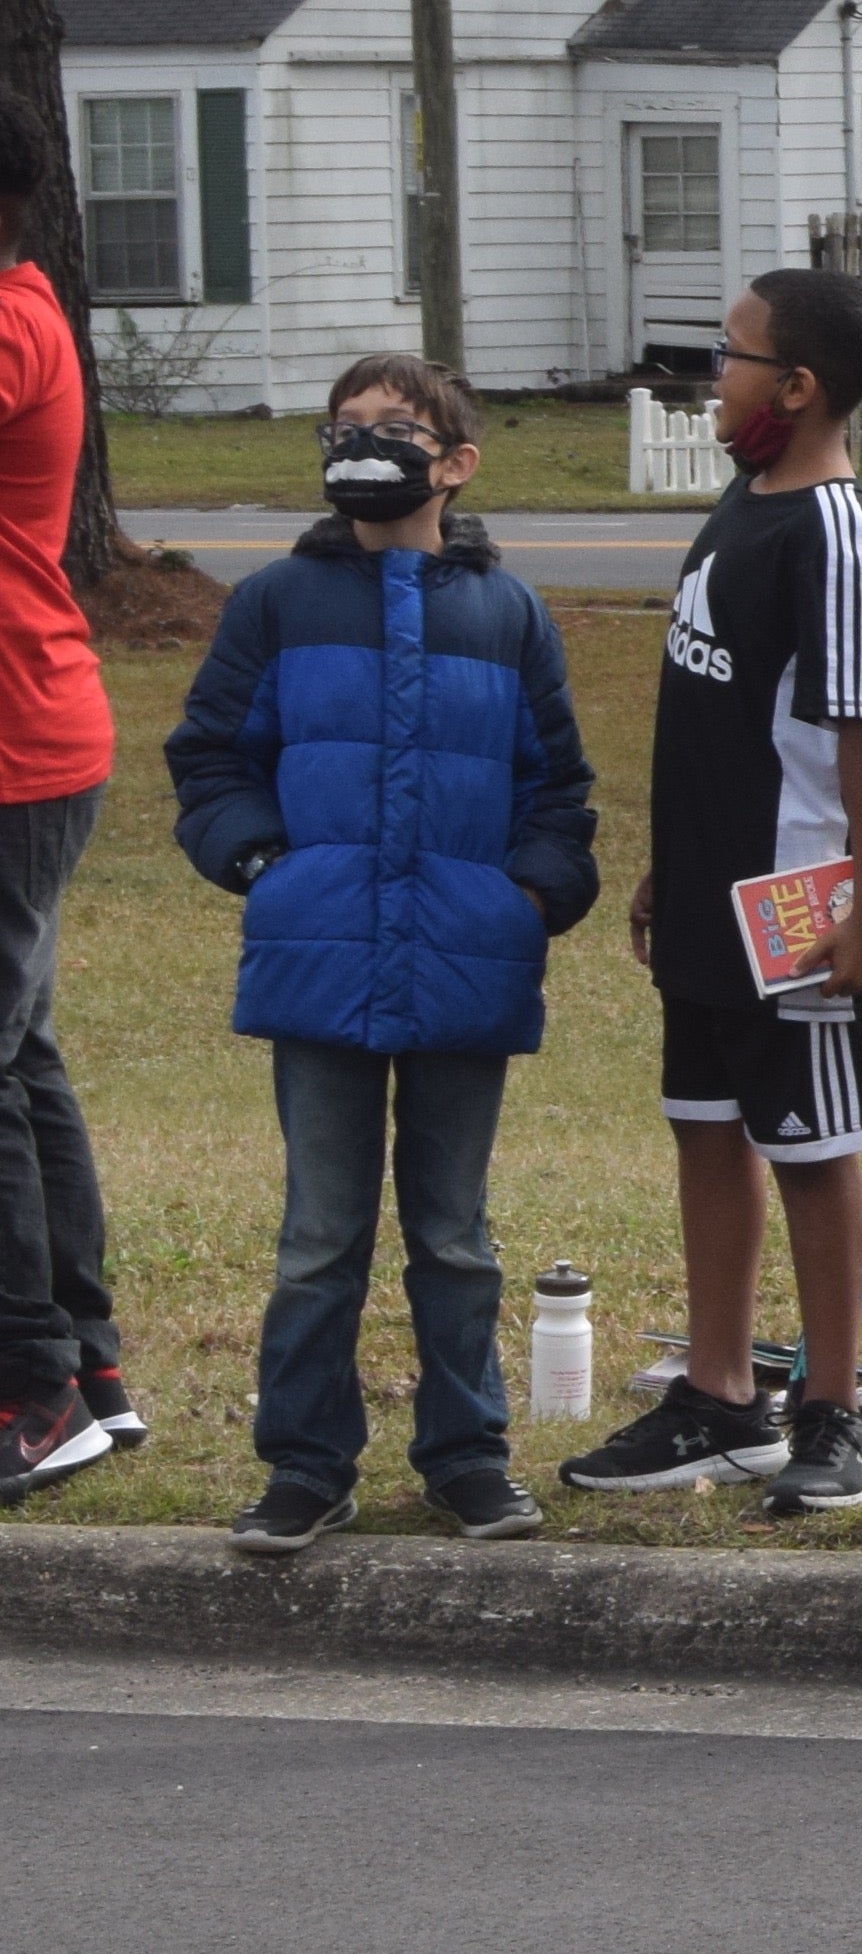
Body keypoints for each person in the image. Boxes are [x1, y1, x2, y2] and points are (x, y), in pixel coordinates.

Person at [163, 358, 596, 1548]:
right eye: (344, 428)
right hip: (319, 960)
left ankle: (467, 1456)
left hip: (468, 963)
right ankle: (306, 1461)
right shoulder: (275, 604)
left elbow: (557, 787)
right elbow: (209, 758)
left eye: (395, 429)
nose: (365, 446)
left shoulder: (507, 616)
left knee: (455, 1237)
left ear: (455, 461)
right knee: (319, 1238)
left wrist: (527, 898)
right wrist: (265, 865)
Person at [562, 267, 862, 1518]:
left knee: (813, 1148)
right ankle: (718, 1398)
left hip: (800, 916)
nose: (717, 374)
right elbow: (720, 707)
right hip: (709, 897)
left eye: (735, 354)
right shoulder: (744, 495)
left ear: (799, 387)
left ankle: (831, 1406)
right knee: (704, 1124)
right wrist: (673, 858)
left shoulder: (830, 530)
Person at [0, 118, 132, 1498]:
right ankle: (86, 1368)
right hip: (37, 732)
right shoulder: (30, 308)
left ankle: (29, 1394)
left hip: (15, 744)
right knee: (21, 1058)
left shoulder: (11, 322)